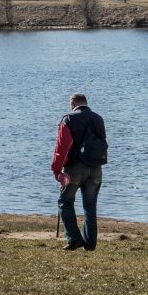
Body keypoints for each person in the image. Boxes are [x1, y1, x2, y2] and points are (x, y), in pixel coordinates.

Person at [51, 93, 108, 251]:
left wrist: (57, 171)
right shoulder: (98, 118)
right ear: (86, 103)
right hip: (96, 168)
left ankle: (74, 238)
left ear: (73, 103)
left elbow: (61, 148)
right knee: (90, 206)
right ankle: (90, 244)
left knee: (65, 202)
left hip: (75, 168)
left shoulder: (68, 119)